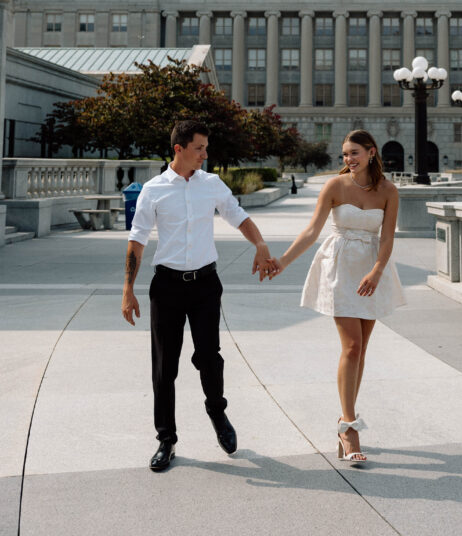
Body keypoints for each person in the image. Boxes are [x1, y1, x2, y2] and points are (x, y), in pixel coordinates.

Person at [121, 119, 276, 472]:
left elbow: (238, 216)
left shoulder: (212, 184)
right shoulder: (154, 190)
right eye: (199, 149)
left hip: (206, 284)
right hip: (167, 287)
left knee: (210, 356)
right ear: (179, 149)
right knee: (164, 367)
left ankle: (217, 412)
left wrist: (261, 243)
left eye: (206, 148)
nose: (205, 155)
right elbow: (137, 240)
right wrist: (128, 290)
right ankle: (166, 439)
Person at [270, 129, 405, 465]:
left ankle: (346, 417)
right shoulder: (334, 186)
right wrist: (282, 262)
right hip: (340, 267)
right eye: (345, 154)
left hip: (370, 271)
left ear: (372, 152)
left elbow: (387, 238)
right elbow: (313, 230)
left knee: (360, 350)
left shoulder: (389, 191)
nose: (349, 160)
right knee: (352, 346)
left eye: (355, 153)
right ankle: (349, 428)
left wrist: (377, 271)